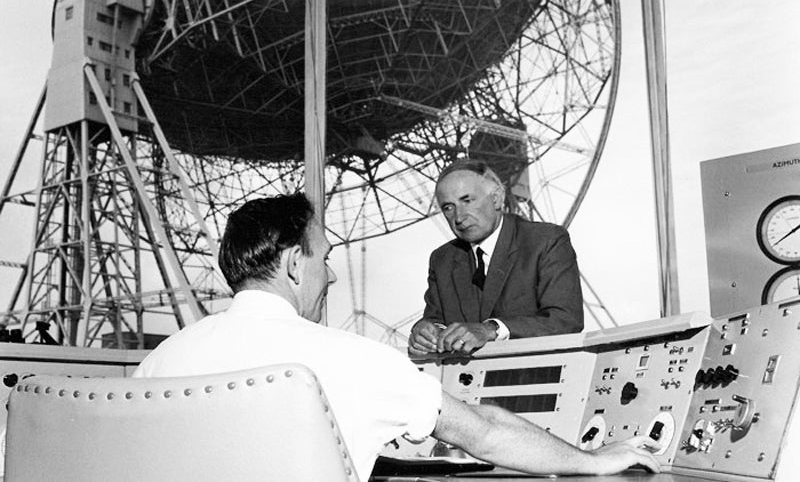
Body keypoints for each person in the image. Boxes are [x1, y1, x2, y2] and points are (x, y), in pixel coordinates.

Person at [134, 194, 659, 480]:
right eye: (325, 258)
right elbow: (485, 431)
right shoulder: (348, 358)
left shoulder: (160, 360)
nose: (333, 277)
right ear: (296, 265)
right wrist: (595, 459)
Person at [409, 159, 584, 356]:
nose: (459, 217)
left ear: (497, 198)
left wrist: (490, 330)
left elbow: (565, 321)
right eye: (448, 207)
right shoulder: (443, 259)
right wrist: (426, 331)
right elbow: (435, 318)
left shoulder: (545, 241)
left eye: (467, 201)